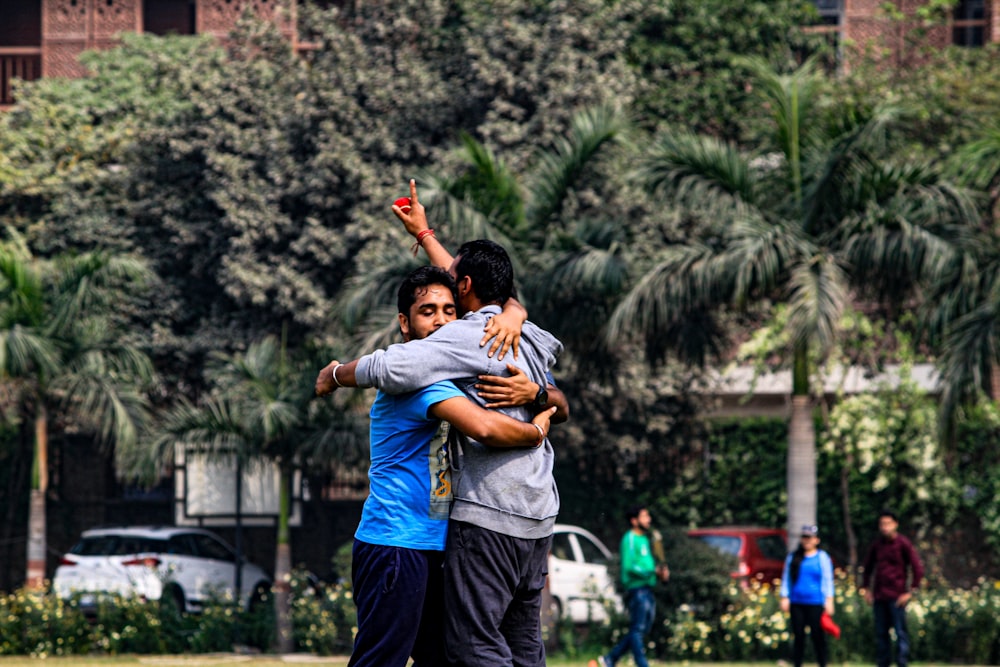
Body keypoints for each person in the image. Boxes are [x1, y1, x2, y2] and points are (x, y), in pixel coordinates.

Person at [316, 233, 565, 667]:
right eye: (427, 312)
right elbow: (486, 425)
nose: (442, 320)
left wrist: (511, 310)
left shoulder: (481, 341)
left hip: (436, 541)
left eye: (449, 310)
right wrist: (336, 373)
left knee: (446, 657)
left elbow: (479, 289)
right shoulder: (422, 379)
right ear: (404, 323)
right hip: (397, 541)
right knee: (389, 658)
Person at [590, 505, 669, 667]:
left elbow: (647, 564)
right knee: (638, 630)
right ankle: (641, 664)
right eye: (644, 516)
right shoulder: (630, 538)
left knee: (640, 630)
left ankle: (610, 659)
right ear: (634, 520)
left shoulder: (645, 539)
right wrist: (652, 571)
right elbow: (630, 566)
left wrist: (661, 573)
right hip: (637, 589)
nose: (649, 520)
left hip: (648, 588)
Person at [861, 509, 924, 667]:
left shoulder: (903, 544)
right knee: (881, 634)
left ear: (895, 524)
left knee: (900, 633)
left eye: (888, 523)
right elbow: (867, 568)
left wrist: (910, 592)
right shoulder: (877, 546)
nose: (885, 527)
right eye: (882, 524)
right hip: (879, 596)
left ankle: (902, 663)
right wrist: (866, 589)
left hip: (897, 597)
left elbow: (917, 568)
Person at [779, 524, 835, 667]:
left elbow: (828, 579)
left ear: (816, 540)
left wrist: (829, 599)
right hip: (797, 601)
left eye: (810, 538)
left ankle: (822, 663)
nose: (807, 541)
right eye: (804, 537)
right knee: (799, 636)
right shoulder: (794, 557)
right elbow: (787, 578)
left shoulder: (822, 557)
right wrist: (784, 596)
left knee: (817, 635)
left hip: (816, 602)